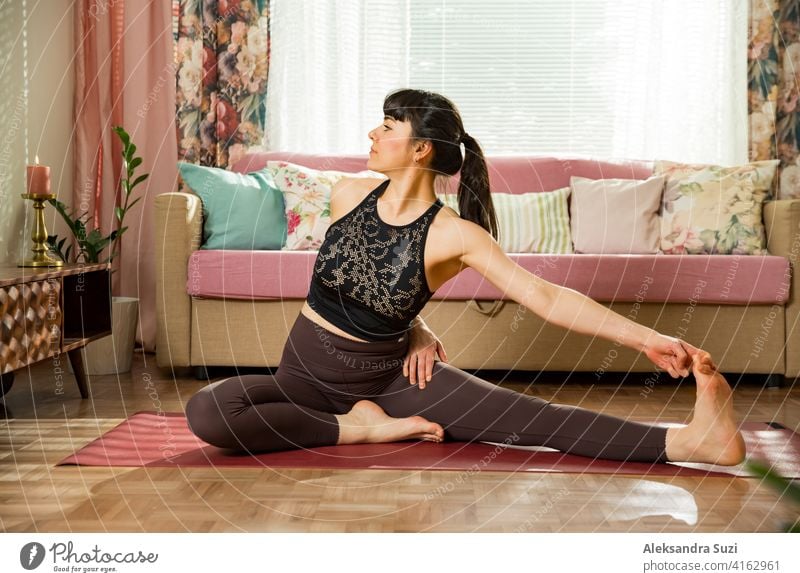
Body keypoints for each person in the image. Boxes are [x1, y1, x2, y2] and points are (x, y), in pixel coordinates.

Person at [185, 88, 746, 466]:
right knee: (208, 411)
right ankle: (362, 428)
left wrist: (649, 339)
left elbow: (547, 298)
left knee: (533, 421)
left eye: (387, 127)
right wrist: (417, 327)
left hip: (392, 383)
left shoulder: (455, 235)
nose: (373, 135)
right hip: (301, 378)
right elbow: (362, 281)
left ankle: (692, 441)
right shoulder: (347, 193)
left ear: (421, 148)